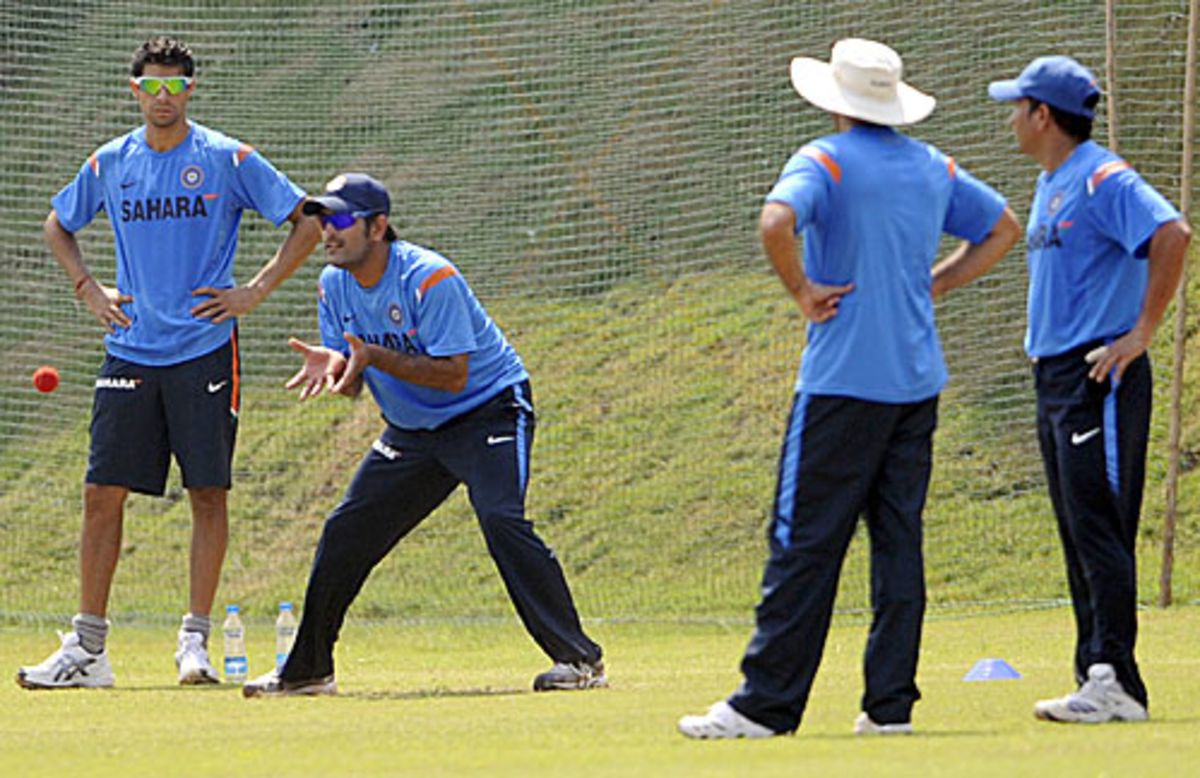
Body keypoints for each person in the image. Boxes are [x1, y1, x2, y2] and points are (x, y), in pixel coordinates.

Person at [678, 38, 1020, 739]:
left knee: (802, 542)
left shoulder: (825, 159)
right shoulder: (932, 166)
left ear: (834, 100)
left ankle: (764, 705)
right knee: (898, 545)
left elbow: (775, 221)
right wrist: (939, 282)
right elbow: (1004, 226)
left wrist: (802, 290)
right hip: (916, 384)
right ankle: (888, 707)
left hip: (840, 386)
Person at [17, 36, 320, 689]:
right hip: (129, 347)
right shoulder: (109, 163)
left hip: (205, 347)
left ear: (190, 90)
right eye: (151, 86)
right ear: (135, 90)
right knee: (102, 493)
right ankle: (89, 651)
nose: (163, 98)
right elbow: (57, 224)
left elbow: (309, 220)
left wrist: (257, 289)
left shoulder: (224, 157)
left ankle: (195, 644)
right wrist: (88, 288)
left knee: (207, 492)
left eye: (175, 87)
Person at [241, 173, 605, 697]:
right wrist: (339, 367)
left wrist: (371, 355)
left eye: (342, 219)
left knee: (501, 519)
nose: (328, 232)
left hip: (488, 411)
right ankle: (308, 672)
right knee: (345, 534)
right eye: (322, 219)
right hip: (414, 432)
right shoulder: (332, 285)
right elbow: (353, 385)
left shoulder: (430, 278)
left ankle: (579, 659)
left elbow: (454, 373)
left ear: (379, 226)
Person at [988, 56, 1190, 724]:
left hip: (1099, 375)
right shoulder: (1053, 182)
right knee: (1079, 528)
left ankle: (1116, 678)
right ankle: (1093, 674)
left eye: (1018, 105)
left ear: (1043, 115)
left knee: (1101, 527)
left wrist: (1142, 332)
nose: (1011, 116)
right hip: (1055, 378)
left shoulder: (1102, 176)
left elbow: (1172, 231)